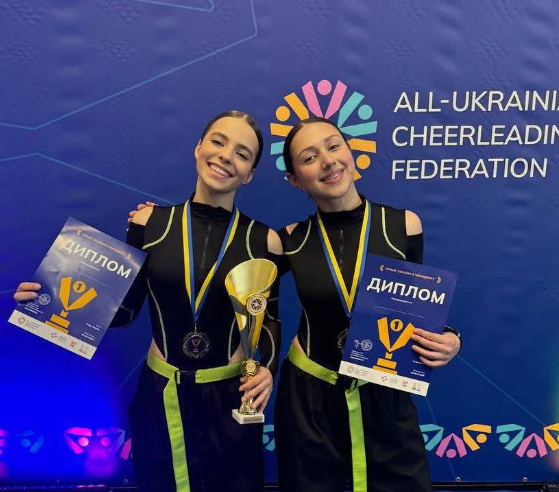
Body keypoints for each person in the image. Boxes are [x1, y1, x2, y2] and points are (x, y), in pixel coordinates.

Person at [14, 111, 283, 492]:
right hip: (160, 392)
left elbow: (267, 319)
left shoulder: (265, 241)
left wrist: (267, 368)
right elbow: (124, 311)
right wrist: (49, 299)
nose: (226, 156)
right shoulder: (149, 224)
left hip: (230, 397)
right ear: (198, 148)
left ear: (250, 173)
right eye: (218, 141)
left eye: (242, 153)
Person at [273, 117, 461, 492]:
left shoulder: (403, 226)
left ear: (351, 152)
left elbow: (415, 309)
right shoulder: (289, 239)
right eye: (309, 157)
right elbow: (228, 279)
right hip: (310, 400)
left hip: (384, 395)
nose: (328, 160)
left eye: (334, 146)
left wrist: (449, 338)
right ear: (295, 179)